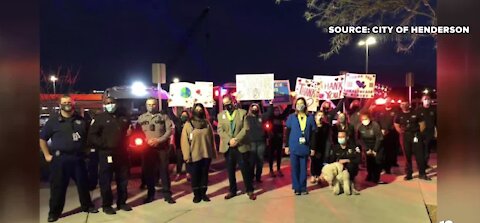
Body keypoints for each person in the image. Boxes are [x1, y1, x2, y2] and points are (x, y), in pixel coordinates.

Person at [40, 95, 98, 222]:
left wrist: (88, 150)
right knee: (58, 188)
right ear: (60, 104)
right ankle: (54, 213)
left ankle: (87, 206)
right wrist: (46, 155)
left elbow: (89, 137)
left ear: (73, 103)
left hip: (78, 159)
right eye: (64, 102)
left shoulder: (81, 120)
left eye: (69, 102)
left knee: (83, 185)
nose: (67, 104)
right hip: (60, 160)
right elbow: (42, 139)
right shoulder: (53, 121)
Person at [88, 97, 133, 214]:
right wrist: (104, 144)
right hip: (106, 154)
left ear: (116, 104)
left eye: (112, 103)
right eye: (108, 103)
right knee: (106, 180)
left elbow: (128, 132)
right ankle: (107, 205)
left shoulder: (123, 118)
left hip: (122, 153)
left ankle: (122, 202)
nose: (110, 105)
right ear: (104, 105)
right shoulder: (99, 118)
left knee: (123, 180)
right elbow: (92, 136)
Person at [217, 95, 256, 200]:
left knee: (245, 169)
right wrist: (230, 140)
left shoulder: (242, 113)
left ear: (233, 102)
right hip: (228, 146)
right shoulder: (221, 115)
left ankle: (249, 190)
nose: (227, 106)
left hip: (241, 145)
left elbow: (246, 128)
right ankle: (232, 190)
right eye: (224, 104)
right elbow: (220, 130)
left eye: (228, 103)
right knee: (230, 170)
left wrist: (236, 140)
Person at [137, 97, 176, 204]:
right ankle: (150, 194)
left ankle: (167, 194)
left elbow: (169, 131)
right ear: (146, 105)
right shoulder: (141, 118)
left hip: (161, 148)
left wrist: (159, 140)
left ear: (157, 105)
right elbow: (138, 132)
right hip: (147, 148)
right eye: (149, 104)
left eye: (153, 104)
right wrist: (146, 140)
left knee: (164, 171)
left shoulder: (164, 117)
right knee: (149, 172)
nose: (151, 106)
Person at [181, 103, 217, 203]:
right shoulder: (189, 124)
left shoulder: (206, 123)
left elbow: (211, 138)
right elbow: (184, 141)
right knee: (195, 175)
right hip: (194, 155)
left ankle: (203, 193)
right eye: (196, 109)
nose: (199, 111)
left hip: (206, 154)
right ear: (193, 111)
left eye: (200, 109)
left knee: (204, 175)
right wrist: (186, 155)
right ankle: (197, 194)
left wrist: (213, 152)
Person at [284, 97, 317, 195]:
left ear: (305, 105)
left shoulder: (310, 117)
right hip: (294, 146)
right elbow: (287, 132)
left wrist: (313, 147)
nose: (300, 105)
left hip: (305, 147)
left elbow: (313, 134)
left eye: (302, 103)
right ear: (295, 105)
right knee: (295, 168)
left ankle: (303, 187)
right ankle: (296, 187)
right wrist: (286, 146)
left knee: (303, 168)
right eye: (298, 103)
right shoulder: (291, 117)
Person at [394, 101, 432, 181]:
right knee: (407, 155)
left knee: (420, 155)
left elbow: (422, 123)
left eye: (406, 104)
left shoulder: (415, 112)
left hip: (416, 135)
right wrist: (399, 131)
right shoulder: (399, 114)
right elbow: (396, 123)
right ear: (400, 106)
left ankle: (422, 174)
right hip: (405, 136)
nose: (404, 105)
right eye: (402, 104)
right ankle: (409, 174)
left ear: (409, 105)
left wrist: (418, 133)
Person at [327, 131, 361, 195]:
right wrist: (338, 162)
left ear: (347, 137)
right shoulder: (335, 148)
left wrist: (348, 160)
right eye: (339, 137)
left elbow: (359, 159)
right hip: (339, 169)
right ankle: (336, 183)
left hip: (350, 168)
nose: (340, 138)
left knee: (351, 166)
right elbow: (330, 161)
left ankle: (351, 183)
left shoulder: (354, 147)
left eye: (342, 137)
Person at [247, 101, 273, 183]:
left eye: (256, 107)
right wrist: (238, 102)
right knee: (251, 161)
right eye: (253, 107)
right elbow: (239, 112)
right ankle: (251, 177)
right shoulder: (247, 118)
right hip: (251, 142)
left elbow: (269, 113)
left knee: (260, 161)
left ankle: (258, 177)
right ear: (250, 109)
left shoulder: (262, 117)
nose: (254, 109)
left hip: (261, 142)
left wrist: (271, 104)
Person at [373, 98, 400, 174]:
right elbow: (376, 121)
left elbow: (396, 122)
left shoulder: (395, 111)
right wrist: (380, 129)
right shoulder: (380, 111)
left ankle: (388, 168)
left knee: (390, 152)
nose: (387, 103)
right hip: (382, 135)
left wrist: (389, 129)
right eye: (386, 102)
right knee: (381, 152)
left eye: (389, 102)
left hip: (391, 135)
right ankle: (382, 168)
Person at [356, 112, 384, 184]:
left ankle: (376, 178)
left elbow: (379, 138)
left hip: (377, 145)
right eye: (363, 119)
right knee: (369, 161)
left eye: (366, 119)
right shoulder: (360, 127)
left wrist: (375, 150)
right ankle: (369, 175)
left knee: (377, 161)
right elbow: (359, 139)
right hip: (367, 146)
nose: (364, 120)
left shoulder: (375, 125)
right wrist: (366, 149)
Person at [265, 104, 291, 177]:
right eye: (275, 110)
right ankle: (271, 170)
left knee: (279, 155)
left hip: (279, 139)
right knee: (271, 155)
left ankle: (278, 169)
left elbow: (286, 112)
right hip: (272, 139)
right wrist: (270, 104)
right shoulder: (270, 117)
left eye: (278, 110)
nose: (277, 112)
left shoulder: (281, 117)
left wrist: (290, 104)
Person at [168, 107, 191, 181]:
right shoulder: (178, 122)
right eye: (183, 115)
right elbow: (171, 115)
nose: (184, 117)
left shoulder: (190, 123)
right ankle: (178, 173)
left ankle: (188, 174)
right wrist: (170, 105)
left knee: (188, 159)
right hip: (179, 145)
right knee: (179, 160)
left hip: (188, 145)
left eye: (185, 115)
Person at [310, 111, 332, 184]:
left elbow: (328, 137)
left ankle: (319, 175)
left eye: (322, 115)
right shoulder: (312, 125)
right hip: (314, 146)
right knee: (313, 160)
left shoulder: (326, 126)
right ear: (315, 116)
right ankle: (313, 175)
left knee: (321, 161)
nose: (320, 116)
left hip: (323, 145)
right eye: (319, 115)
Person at [416, 95, 437, 169]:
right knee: (420, 149)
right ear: (422, 100)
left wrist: (436, 132)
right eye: (425, 99)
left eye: (428, 99)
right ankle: (421, 165)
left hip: (430, 133)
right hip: (420, 133)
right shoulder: (418, 110)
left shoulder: (434, 110)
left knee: (427, 149)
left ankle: (425, 164)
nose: (427, 100)